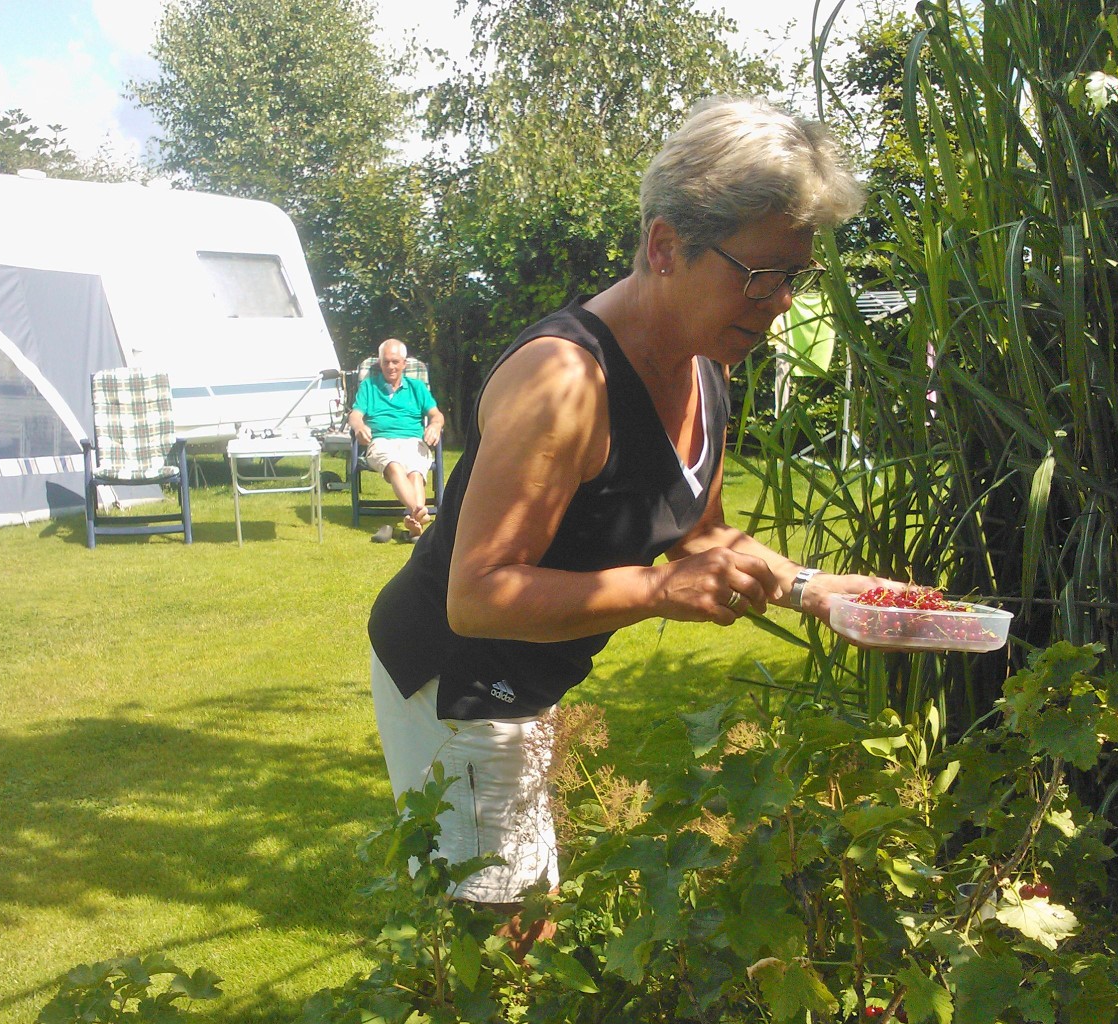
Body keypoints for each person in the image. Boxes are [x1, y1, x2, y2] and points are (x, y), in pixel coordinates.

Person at [368, 97, 899, 932]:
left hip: (526, 674)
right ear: (664, 245)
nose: (783, 303)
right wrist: (658, 592)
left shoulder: (704, 367)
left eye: (797, 277)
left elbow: (704, 534)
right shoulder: (564, 384)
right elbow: (474, 595)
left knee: (520, 939)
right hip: (456, 678)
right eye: (761, 274)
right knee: (503, 953)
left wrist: (817, 590)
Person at [348, 338, 445, 542]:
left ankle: (414, 521)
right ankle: (420, 514)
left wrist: (435, 426)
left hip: (413, 440)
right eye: (386, 362)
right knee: (394, 466)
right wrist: (359, 426)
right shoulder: (369, 386)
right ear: (380, 363)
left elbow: (437, 415)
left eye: (395, 361)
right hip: (381, 441)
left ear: (404, 363)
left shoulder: (417, 387)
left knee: (416, 472)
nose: (390, 367)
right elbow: (355, 415)